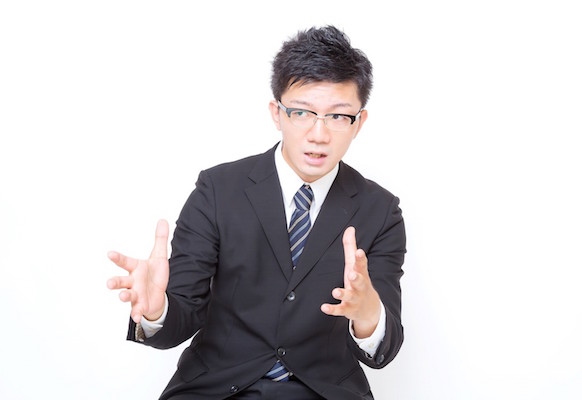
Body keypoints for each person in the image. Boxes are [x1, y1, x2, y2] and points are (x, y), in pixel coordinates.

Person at [107, 25, 406, 400]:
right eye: (302, 112)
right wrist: (157, 311)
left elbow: (384, 349)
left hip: (321, 392)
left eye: (337, 116)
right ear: (277, 114)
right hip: (217, 390)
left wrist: (368, 314)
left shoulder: (381, 211)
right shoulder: (217, 190)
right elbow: (181, 317)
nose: (319, 134)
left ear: (358, 123)